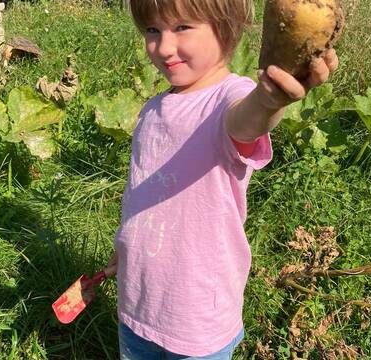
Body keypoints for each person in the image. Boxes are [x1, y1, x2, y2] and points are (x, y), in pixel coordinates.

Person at [102, 0, 339, 359]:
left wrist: (269, 100)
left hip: (197, 320)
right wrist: (125, 251)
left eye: (182, 27)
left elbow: (247, 120)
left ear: (226, 28)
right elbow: (142, 194)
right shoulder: (152, 109)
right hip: (137, 305)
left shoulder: (230, 98)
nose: (163, 47)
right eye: (153, 30)